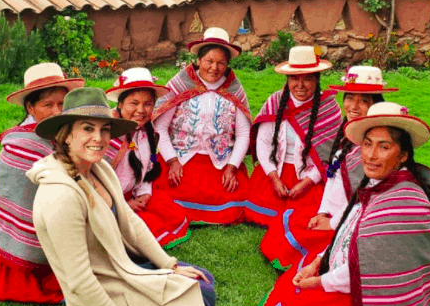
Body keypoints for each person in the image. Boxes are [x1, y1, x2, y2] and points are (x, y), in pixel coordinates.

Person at [248, 102, 430, 306]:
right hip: (349, 275)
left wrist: (319, 282)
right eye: (367, 144)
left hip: (370, 299)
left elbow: (365, 270)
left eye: (384, 147)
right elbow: (347, 231)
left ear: (402, 155)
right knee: (291, 292)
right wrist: (318, 262)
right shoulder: (378, 183)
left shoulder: (402, 206)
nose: (371, 155)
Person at [28, 87, 215, 306]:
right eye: (87, 128)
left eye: (104, 130)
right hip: (101, 291)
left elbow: (132, 222)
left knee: (202, 281)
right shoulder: (59, 195)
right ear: (66, 136)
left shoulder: (100, 169)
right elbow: (80, 280)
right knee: (195, 305)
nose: (99, 138)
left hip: (121, 267)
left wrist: (170, 265)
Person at [259, 66, 396, 269]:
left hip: (353, 221)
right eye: (350, 98)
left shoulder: (375, 148)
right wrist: (322, 212)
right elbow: (332, 178)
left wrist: (331, 223)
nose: (354, 106)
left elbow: (365, 203)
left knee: (300, 236)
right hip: (334, 210)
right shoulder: (347, 135)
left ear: (375, 104)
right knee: (285, 222)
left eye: (363, 101)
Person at [0, 62, 84, 304]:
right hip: (27, 237)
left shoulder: (60, 131)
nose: (56, 111)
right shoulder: (20, 144)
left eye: (61, 104)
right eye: (47, 105)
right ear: (30, 107)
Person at [152, 27, 252, 224]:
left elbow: (243, 134)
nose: (214, 68)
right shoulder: (180, 85)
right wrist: (172, 162)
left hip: (220, 161)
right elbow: (160, 128)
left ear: (227, 65)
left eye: (221, 63)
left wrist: (232, 168)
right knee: (164, 191)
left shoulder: (234, 89)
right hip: (181, 158)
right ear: (198, 60)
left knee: (234, 196)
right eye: (209, 61)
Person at [243, 46, 342, 227]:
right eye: (295, 78)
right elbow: (263, 143)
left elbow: (329, 155)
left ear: (317, 79)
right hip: (276, 171)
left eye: (308, 79)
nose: (301, 85)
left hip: (310, 175)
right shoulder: (275, 101)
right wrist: (273, 178)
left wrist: (307, 182)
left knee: (305, 214)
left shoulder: (329, 108)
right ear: (287, 80)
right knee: (255, 210)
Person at [105, 67, 190, 247]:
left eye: (147, 104)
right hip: (108, 202)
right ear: (120, 104)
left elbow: (147, 168)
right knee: (145, 229)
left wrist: (144, 193)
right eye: (133, 103)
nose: (141, 110)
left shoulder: (147, 132)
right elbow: (94, 182)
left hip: (133, 195)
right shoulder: (108, 136)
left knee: (170, 212)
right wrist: (124, 204)